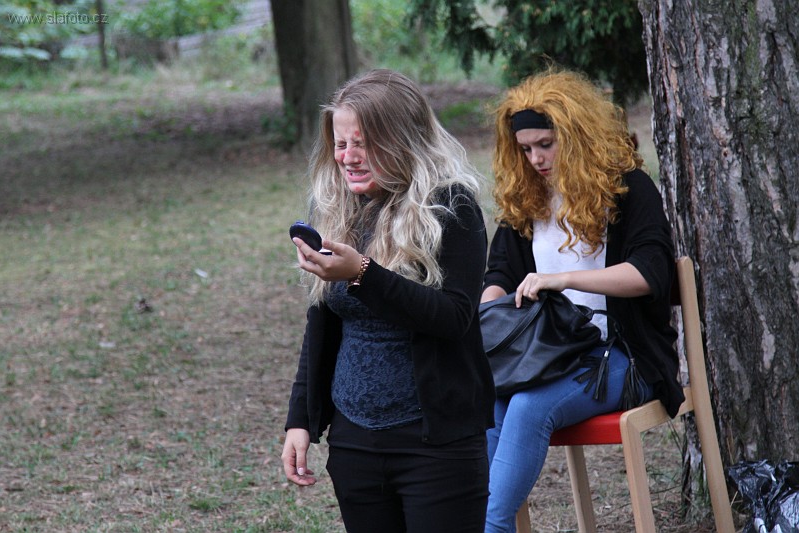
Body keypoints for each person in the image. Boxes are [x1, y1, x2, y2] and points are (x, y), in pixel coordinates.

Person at [281, 69, 495, 533]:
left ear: (403, 140)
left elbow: (454, 317)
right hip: (354, 441)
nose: (348, 157)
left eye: (363, 144)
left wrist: (363, 273)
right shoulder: (337, 208)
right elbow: (322, 323)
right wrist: (300, 419)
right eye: (341, 144)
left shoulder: (451, 207)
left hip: (437, 445)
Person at [480, 69, 685, 532]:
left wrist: (563, 279)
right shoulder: (527, 197)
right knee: (489, 400)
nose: (535, 158)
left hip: (626, 356)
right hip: (548, 354)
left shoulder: (628, 189)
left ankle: (488, 527)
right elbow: (499, 277)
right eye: (525, 149)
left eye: (545, 144)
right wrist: (490, 315)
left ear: (574, 136)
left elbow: (650, 273)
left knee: (528, 407)